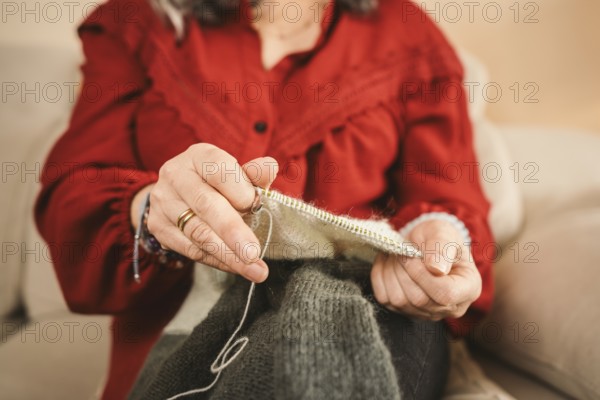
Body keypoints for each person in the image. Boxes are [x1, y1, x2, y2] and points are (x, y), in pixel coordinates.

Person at [34, 0, 495, 398]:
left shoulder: (409, 36)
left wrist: (438, 243)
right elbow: (75, 195)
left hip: (376, 310)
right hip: (180, 325)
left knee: (326, 318)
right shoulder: (136, 21)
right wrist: (154, 210)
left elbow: (448, 194)